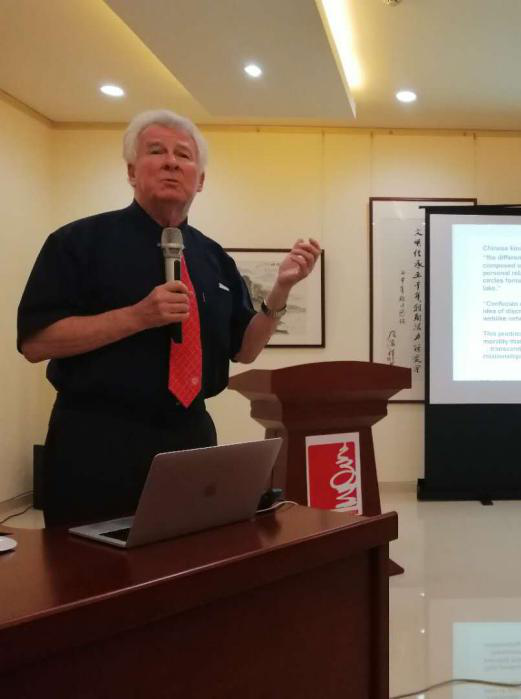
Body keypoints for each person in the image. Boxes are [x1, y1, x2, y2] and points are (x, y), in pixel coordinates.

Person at [17, 109, 320, 527]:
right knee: (88, 564)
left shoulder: (213, 258)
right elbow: (36, 343)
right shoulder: (79, 242)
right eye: (156, 151)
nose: (171, 162)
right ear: (131, 171)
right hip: (97, 438)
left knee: (191, 558)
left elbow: (245, 350)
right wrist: (137, 316)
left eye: (184, 155)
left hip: (190, 436)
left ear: (201, 179)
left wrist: (281, 289)